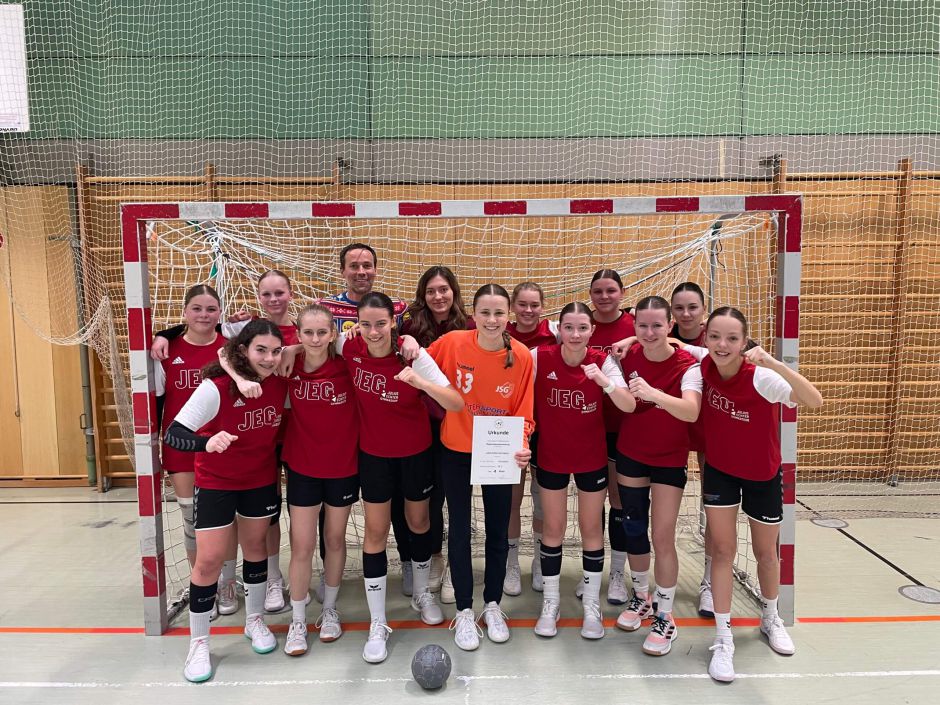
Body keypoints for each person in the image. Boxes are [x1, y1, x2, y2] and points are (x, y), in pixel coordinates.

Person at [683, 307, 822, 682]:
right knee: (723, 551)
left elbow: (814, 400)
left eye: (732, 338)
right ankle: (723, 637)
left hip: (762, 475)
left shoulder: (761, 376)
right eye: (715, 337)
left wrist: (774, 362)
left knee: (765, 553)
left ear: (744, 342)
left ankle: (770, 617)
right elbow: (674, 343)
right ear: (706, 338)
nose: (722, 345)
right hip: (721, 473)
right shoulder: (703, 367)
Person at [152, 270, 299, 613]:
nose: (268, 357)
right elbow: (223, 357)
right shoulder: (233, 338)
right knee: (206, 526)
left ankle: (267, 583)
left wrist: (295, 348)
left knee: (263, 525)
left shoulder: (289, 335)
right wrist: (164, 333)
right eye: (266, 293)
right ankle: (221, 584)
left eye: (211, 309)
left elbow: (321, 343)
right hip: (209, 447)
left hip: (271, 446)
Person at [163, 320, 288, 683]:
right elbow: (173, 434)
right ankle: (199, 642)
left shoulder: (279, 382)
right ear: (244, 350)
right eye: (261, 350)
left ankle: (255, 621)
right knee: (209, 561)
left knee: (256, 548)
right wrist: (207, 442)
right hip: (216, 483)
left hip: (259, 480)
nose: (269, 358)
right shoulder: (215, 388)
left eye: (275, 351)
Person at [343, 292, 462, 664]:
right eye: (366, 324)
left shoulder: (412, 354)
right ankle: (378, 621)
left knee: (419, 522)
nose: (374, 332)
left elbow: (455, 401)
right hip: (374, 456)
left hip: (415, 454)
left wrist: (421, 381)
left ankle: (422, 593)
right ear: (357, 325)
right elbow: (311, 343)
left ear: (393, 322)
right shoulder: (349, 349)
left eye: (381, 323)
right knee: (375, 532)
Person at [427, 284, 535, 652]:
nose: (492, 320)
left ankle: (491, 604)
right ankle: (463, 610)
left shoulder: (521, 355)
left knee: (497, 530)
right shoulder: (453, 342)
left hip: (498, 452)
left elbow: (524, 410)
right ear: (473, 314)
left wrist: (523, 443)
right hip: (456, 449)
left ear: (509, 315)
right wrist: (407, 346)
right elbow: (421, 362)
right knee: (459, 529)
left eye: (499, 313)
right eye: (485, 313)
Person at [530, 303, 634, 640]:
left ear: (592, 331)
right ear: (559, 329)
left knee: (591, 528)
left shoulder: (602, 361)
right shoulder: (539, 357)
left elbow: (629, 403)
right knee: (553, 528)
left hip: (591, 458)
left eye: (582, 328)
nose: (575, 335)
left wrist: (605, 382)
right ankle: (551, 603)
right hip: (551, 456)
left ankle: (591, 604)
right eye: (569, 328)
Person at [317, 244, 413, 600]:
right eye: (354, 266)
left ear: (376, 268)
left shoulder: (396, 309)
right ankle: (330, 574)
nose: (361, 271)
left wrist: (411, 338)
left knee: (396, 501)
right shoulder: (326, 308)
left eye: (367, 265)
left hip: (381, 421)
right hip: (339, 422)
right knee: (332, 507)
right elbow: (307, 341)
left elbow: (411, 344)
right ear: (342, 270)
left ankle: (408, 563)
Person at [612, 296, 702, 657]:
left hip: (668, 458)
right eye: (642, 326)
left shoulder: (688, 365)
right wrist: (629, 341)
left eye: (657, 326)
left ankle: (665, 616)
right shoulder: (627, 355)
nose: (649, 333)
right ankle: (641, 598)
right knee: (633, 528)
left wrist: (653, 394)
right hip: (631, 453)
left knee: (662, 536)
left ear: (670, 326)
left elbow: (691, 411)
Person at [277, 304, 359, 655]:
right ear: (298, 333)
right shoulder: (288, 364)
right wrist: (288, 349)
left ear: (333, 334)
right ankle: (297, 620)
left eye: (321, 332)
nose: (314, 339)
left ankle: (329, 610)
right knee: (302, 545)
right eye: (307, 333)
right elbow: (233, 355)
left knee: (335, 539)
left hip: (343, 466)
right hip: (303, 467)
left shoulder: (347, 363)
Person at [400, 265, 474, 601]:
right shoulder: (410, 326)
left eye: (443, 289)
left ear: (453, 292)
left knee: (458, 497)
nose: (438, 296)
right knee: (430, 498)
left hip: (461, 422)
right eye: (431, 291)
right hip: (422, 423)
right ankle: (434, 557)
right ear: (423, 295)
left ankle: (458, 566)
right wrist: (406, 338)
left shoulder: (469, 326)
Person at [154, 285, 226, 578]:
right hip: (181, 449)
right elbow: (158, 404)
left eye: (211, 309)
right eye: (197, 308)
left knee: (222, 521)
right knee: (192, 521)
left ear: (219, 313)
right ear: (185, 312)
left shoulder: (231, 348)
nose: (204, 315)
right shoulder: (165, 352)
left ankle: (226, 582)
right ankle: (202, 584)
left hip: (221, 447)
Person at [583, 269, 636, 604]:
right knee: (591, 501)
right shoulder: (580, 324)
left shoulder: (634, 326)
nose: (604, 297)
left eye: (611, 290)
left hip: (622, 425)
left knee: (617, 499)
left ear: (622, 292)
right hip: (586, 425)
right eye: (598, 291)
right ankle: (593, 572)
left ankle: (617, 573)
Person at [504, 282, 558, 596]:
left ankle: (539, 560)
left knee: (542, 502)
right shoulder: (501, 332)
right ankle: (511, 564)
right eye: (522, 304)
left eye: (534, 305)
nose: (528, 310)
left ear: (543, 306)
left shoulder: (554, 334)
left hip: (546, 428)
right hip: (510, 428)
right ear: (513, 306)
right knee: (511, 501)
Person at [669, 281, 714, 617]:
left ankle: (710, 581)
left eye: (692, 307)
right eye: (679, 308)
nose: (686, 314)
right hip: (670, 429)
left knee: (714, 507)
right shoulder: (660, 334)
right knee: (661, 512)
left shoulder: (716, 338)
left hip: (710, 429)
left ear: (704, 310)